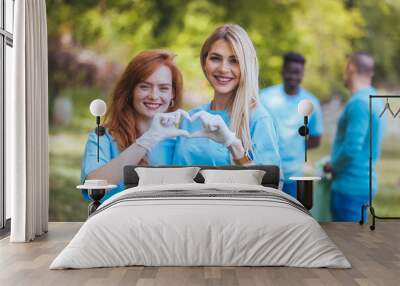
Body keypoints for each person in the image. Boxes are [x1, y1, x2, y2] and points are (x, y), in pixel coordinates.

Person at [172, 24, 281, 177]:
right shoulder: (191, 117)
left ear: (246, 66)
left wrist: (233, 145)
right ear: (204, 62)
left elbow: (271, 186)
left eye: (234, 60)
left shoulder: (258, 118)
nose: (223, 68)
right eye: (215, 58)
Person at [80, 50, 190, 201]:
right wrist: (147, 140)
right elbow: (93, 187)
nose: (154, 95)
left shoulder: (181, 142)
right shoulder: (102, 137)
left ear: (173, 94)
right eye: (145, 86)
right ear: (130, 91)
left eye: (163, 88)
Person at [324, 51, 386, 222]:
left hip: (349, 187)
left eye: (345, 68)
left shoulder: (359, 102)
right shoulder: (374, 98)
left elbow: (352, 148)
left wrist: (332, 165)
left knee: (347, 245)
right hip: (362, 183)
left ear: (351, 68)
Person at [260, 52, 323, 198]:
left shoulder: (311, 102)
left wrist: (296, 147)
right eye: (289, 71)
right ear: (282, 71)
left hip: (293, 176)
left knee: (291, 217)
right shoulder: (264, 97)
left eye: (297, 72)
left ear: (303, 74)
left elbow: (315, 139)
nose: (293, 76)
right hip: (266, 174)